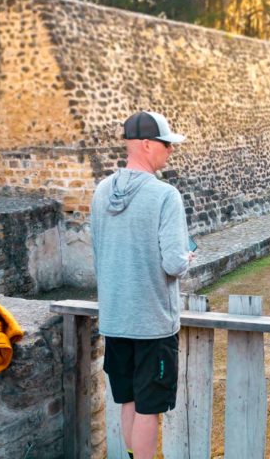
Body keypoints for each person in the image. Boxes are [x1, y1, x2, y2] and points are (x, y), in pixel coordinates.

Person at [91, 111, 193, 459]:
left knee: (128, 400)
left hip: (115, 318)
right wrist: (187, 258)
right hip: (152, 322)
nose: (170, 151)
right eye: (166, 144)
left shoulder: (100, 192)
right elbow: (174, 263)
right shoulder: (166, 196)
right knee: (150, 408)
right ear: (147, 145)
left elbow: (99, 252)